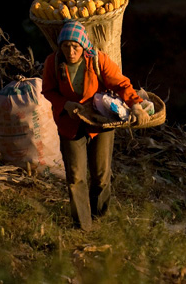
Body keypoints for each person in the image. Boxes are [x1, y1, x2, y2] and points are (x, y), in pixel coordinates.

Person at [42, 20, 147, 230]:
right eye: (66, 46)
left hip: (100, 123)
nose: (70, 51)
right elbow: (48, 91)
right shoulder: (53, 62)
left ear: (83, 46)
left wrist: (135, 105)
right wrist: (66, 104)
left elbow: (120, 83)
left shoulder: (98, 60)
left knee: (100, 174)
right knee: (76, 176)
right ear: (60, 46)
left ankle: (99, 217)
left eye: (75, 47)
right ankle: (83, 226)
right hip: (70, 124)